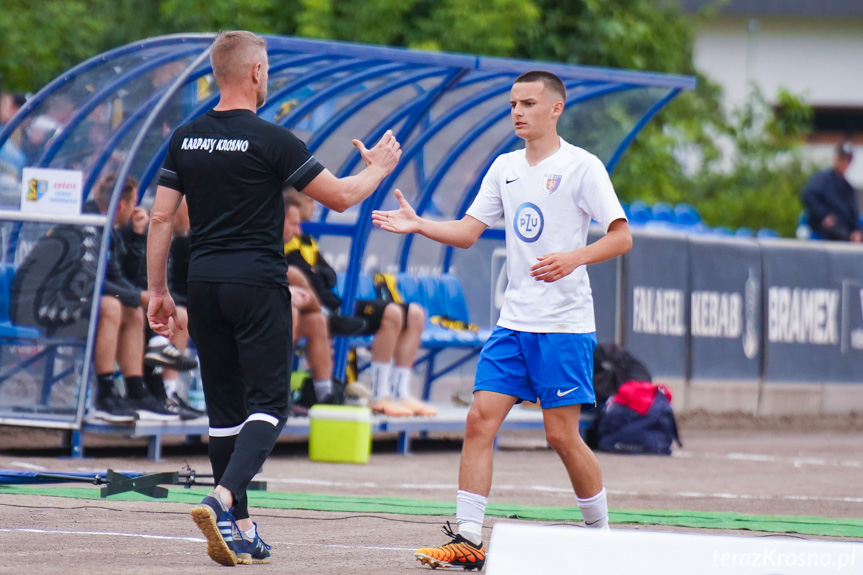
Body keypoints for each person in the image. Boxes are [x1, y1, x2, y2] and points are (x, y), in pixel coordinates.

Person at [146, 30, 401, 567]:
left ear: (217, 73)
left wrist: (158, 291)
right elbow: (339, 196)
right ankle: (219, 501)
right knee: (270, 406)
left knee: (224, 413)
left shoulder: (186, 137)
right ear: (257, 73)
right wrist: (377, 168)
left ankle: (240, 527)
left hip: (205, 286)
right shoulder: (273, 138)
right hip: (258, 284)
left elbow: (163, 217)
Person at [373, 70, 632, 570]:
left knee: (560, 435)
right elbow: (470, 232)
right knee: (478, 420)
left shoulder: (583, 167)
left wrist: (573, 258)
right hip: (513, 322)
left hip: (564, 326)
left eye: (529, 103)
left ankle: (602, 536)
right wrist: (420, 224)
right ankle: (468, 540)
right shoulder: (504, 168)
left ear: (555, 109)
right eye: (513, 103)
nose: (517, 111)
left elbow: (621, 237)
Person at [284, 189, 434, 416]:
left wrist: (318, 273)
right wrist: (317, 273)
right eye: (310, 201)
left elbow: (329, 275)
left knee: (415, 313)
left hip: (336, 304)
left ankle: (400, 392)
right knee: (392, 313)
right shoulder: (285, 245)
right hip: (324, 310)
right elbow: (307, 275)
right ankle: (380, 395)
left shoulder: (307, 241)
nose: (315, 207)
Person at [802, 141, 862, 242]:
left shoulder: (848, 187)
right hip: (828, 227)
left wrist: (857, 230)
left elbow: (854, 213)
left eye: (848, 160)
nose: (845, 163)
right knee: (840, 234)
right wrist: (824, 215)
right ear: (836, 158)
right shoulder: (822, 179)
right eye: (843, 159)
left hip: (846, 227)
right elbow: (808, 195)